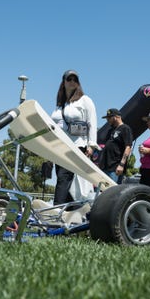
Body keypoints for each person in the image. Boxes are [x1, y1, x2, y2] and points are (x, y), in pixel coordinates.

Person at [50, 69, 98, 204]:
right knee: (66, 180)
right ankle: (70, 211)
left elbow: (92, 123)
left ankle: (57, 209)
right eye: (69, 79)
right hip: (59, 146)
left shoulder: (85, 100)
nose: (72, 82)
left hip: (77, 145)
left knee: (63, 177)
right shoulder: (60, 104)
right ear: (63, 82)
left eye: (75, 80)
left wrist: (91, 145)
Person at [97, 108, 133, 184]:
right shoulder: (111, 130)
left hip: (115, 168)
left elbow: (128, 147)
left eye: (109, 118)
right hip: (105, 167)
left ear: (115, 117)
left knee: (113, 192)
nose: (107, 120)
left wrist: (121, 164)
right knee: (102, 191)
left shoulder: (125, 128)